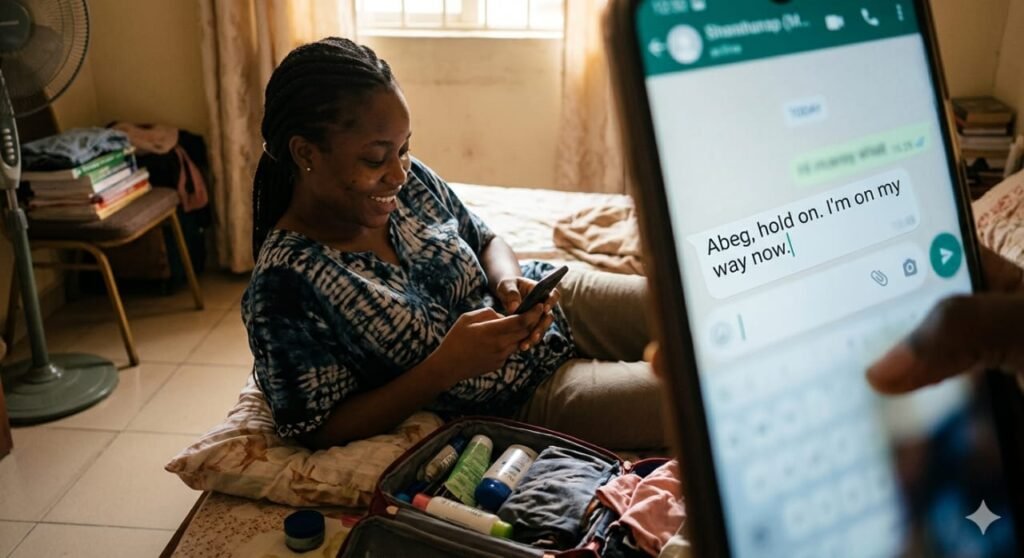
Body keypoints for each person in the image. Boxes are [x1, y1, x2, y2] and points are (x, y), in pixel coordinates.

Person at [242, 37, 663, 451]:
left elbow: (485, 238)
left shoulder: (411, 181)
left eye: (403, 150)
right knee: (705, 391)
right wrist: (444, 368)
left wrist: (509, 283)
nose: (399, 174)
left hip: (554, 304)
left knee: (698, 307)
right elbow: (316, 428)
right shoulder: (285, 284)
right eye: (375, 159)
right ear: (305, 153)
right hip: (521, 395)